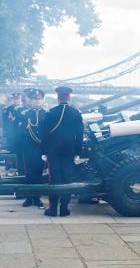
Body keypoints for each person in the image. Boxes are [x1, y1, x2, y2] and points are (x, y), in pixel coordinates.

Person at [39, 86, 83, 217]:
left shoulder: (50, 113)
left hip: (53, 151)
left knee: (54, 178)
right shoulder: (76, 113)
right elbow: (79, 135)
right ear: (69, 97)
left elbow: (44, 134)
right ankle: (64, 208)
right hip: (69, 151)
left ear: (58, 97)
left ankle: (53, 209)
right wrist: (78, 152)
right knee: (67, 178)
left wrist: (44, 151)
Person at [19, 89, 46, 208]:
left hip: (41, 149)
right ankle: (29, 198)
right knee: (29, 174)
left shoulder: (46, 113)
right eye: (34, 99)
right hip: (28, 148)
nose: (37, 101)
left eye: (39, 99)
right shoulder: (24, 114)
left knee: (39, 174)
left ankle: (37, 198)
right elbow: (19, 133)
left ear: (42, 100)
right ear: (30, 100)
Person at [14, 88, 33, 175]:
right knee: (22, 159)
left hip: (35, 140)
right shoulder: (18, 110)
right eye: (28, 96)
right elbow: (15, 126)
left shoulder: (39, 110)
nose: (29, 99)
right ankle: (22, 175)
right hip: (22, 138)